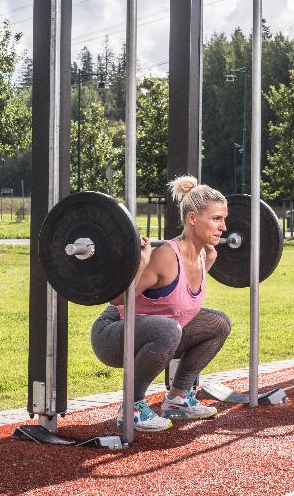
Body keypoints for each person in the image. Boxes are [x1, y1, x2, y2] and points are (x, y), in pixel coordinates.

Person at [90, 175, 233, 432]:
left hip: (159, 330)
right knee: (169, 329)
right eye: (216, 219)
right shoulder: (167, 257)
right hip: (112, 332)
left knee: (219, 324)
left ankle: (178, 397)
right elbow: (116, 299)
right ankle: (132, 406)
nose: (223, 227)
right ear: (192, 218)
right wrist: (142, 264)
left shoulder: (205, 256)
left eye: (223, 219)